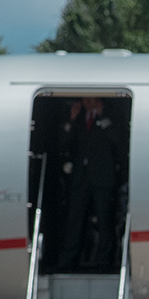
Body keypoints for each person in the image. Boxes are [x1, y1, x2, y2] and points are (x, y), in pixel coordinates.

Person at [59, 97, 120, 272]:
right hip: (80, 178)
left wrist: (101, 116)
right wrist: (71, 118)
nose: (87, 102)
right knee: (74, 220)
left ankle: (104, 261)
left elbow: (117, 139)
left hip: (102, 177)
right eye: (84, 98)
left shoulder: (110, 115)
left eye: (91, 98)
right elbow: (63, 141)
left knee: (104, 220)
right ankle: (69, 259)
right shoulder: (78, 117)